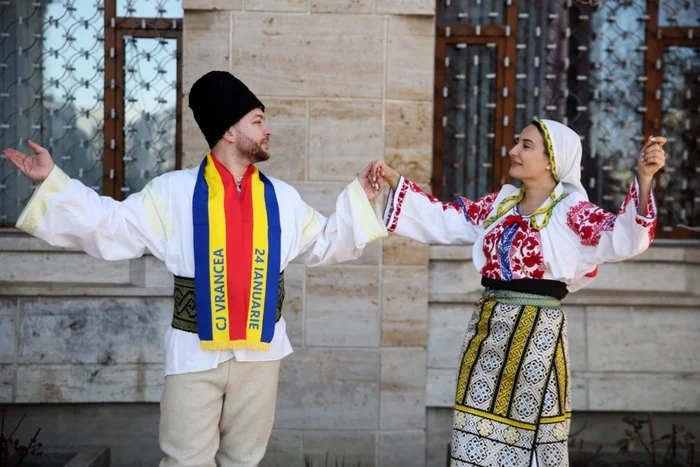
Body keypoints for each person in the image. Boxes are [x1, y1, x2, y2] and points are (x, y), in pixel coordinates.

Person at [3, 71, 388, 467]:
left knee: (244, 460)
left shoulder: (283, 198)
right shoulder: (173, 192)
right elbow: (112, 224)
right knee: (185, 461)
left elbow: (325, 242)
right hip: (193, 354)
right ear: (229, 131)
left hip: (261, 355)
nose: (268, 129)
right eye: (257, 121)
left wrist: (361, 197)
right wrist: (53, 181)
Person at [370, 119, 665, 467]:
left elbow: (624, 237)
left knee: (526, 438)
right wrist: (394, 181)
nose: (513, 151)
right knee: (474, 433)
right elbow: (445, 219)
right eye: (517, 143)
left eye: (526, 145)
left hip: (536, 335)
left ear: (553, 160)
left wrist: (644, 179)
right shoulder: (501, 205)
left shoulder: (572, 212)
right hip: (486, 331)